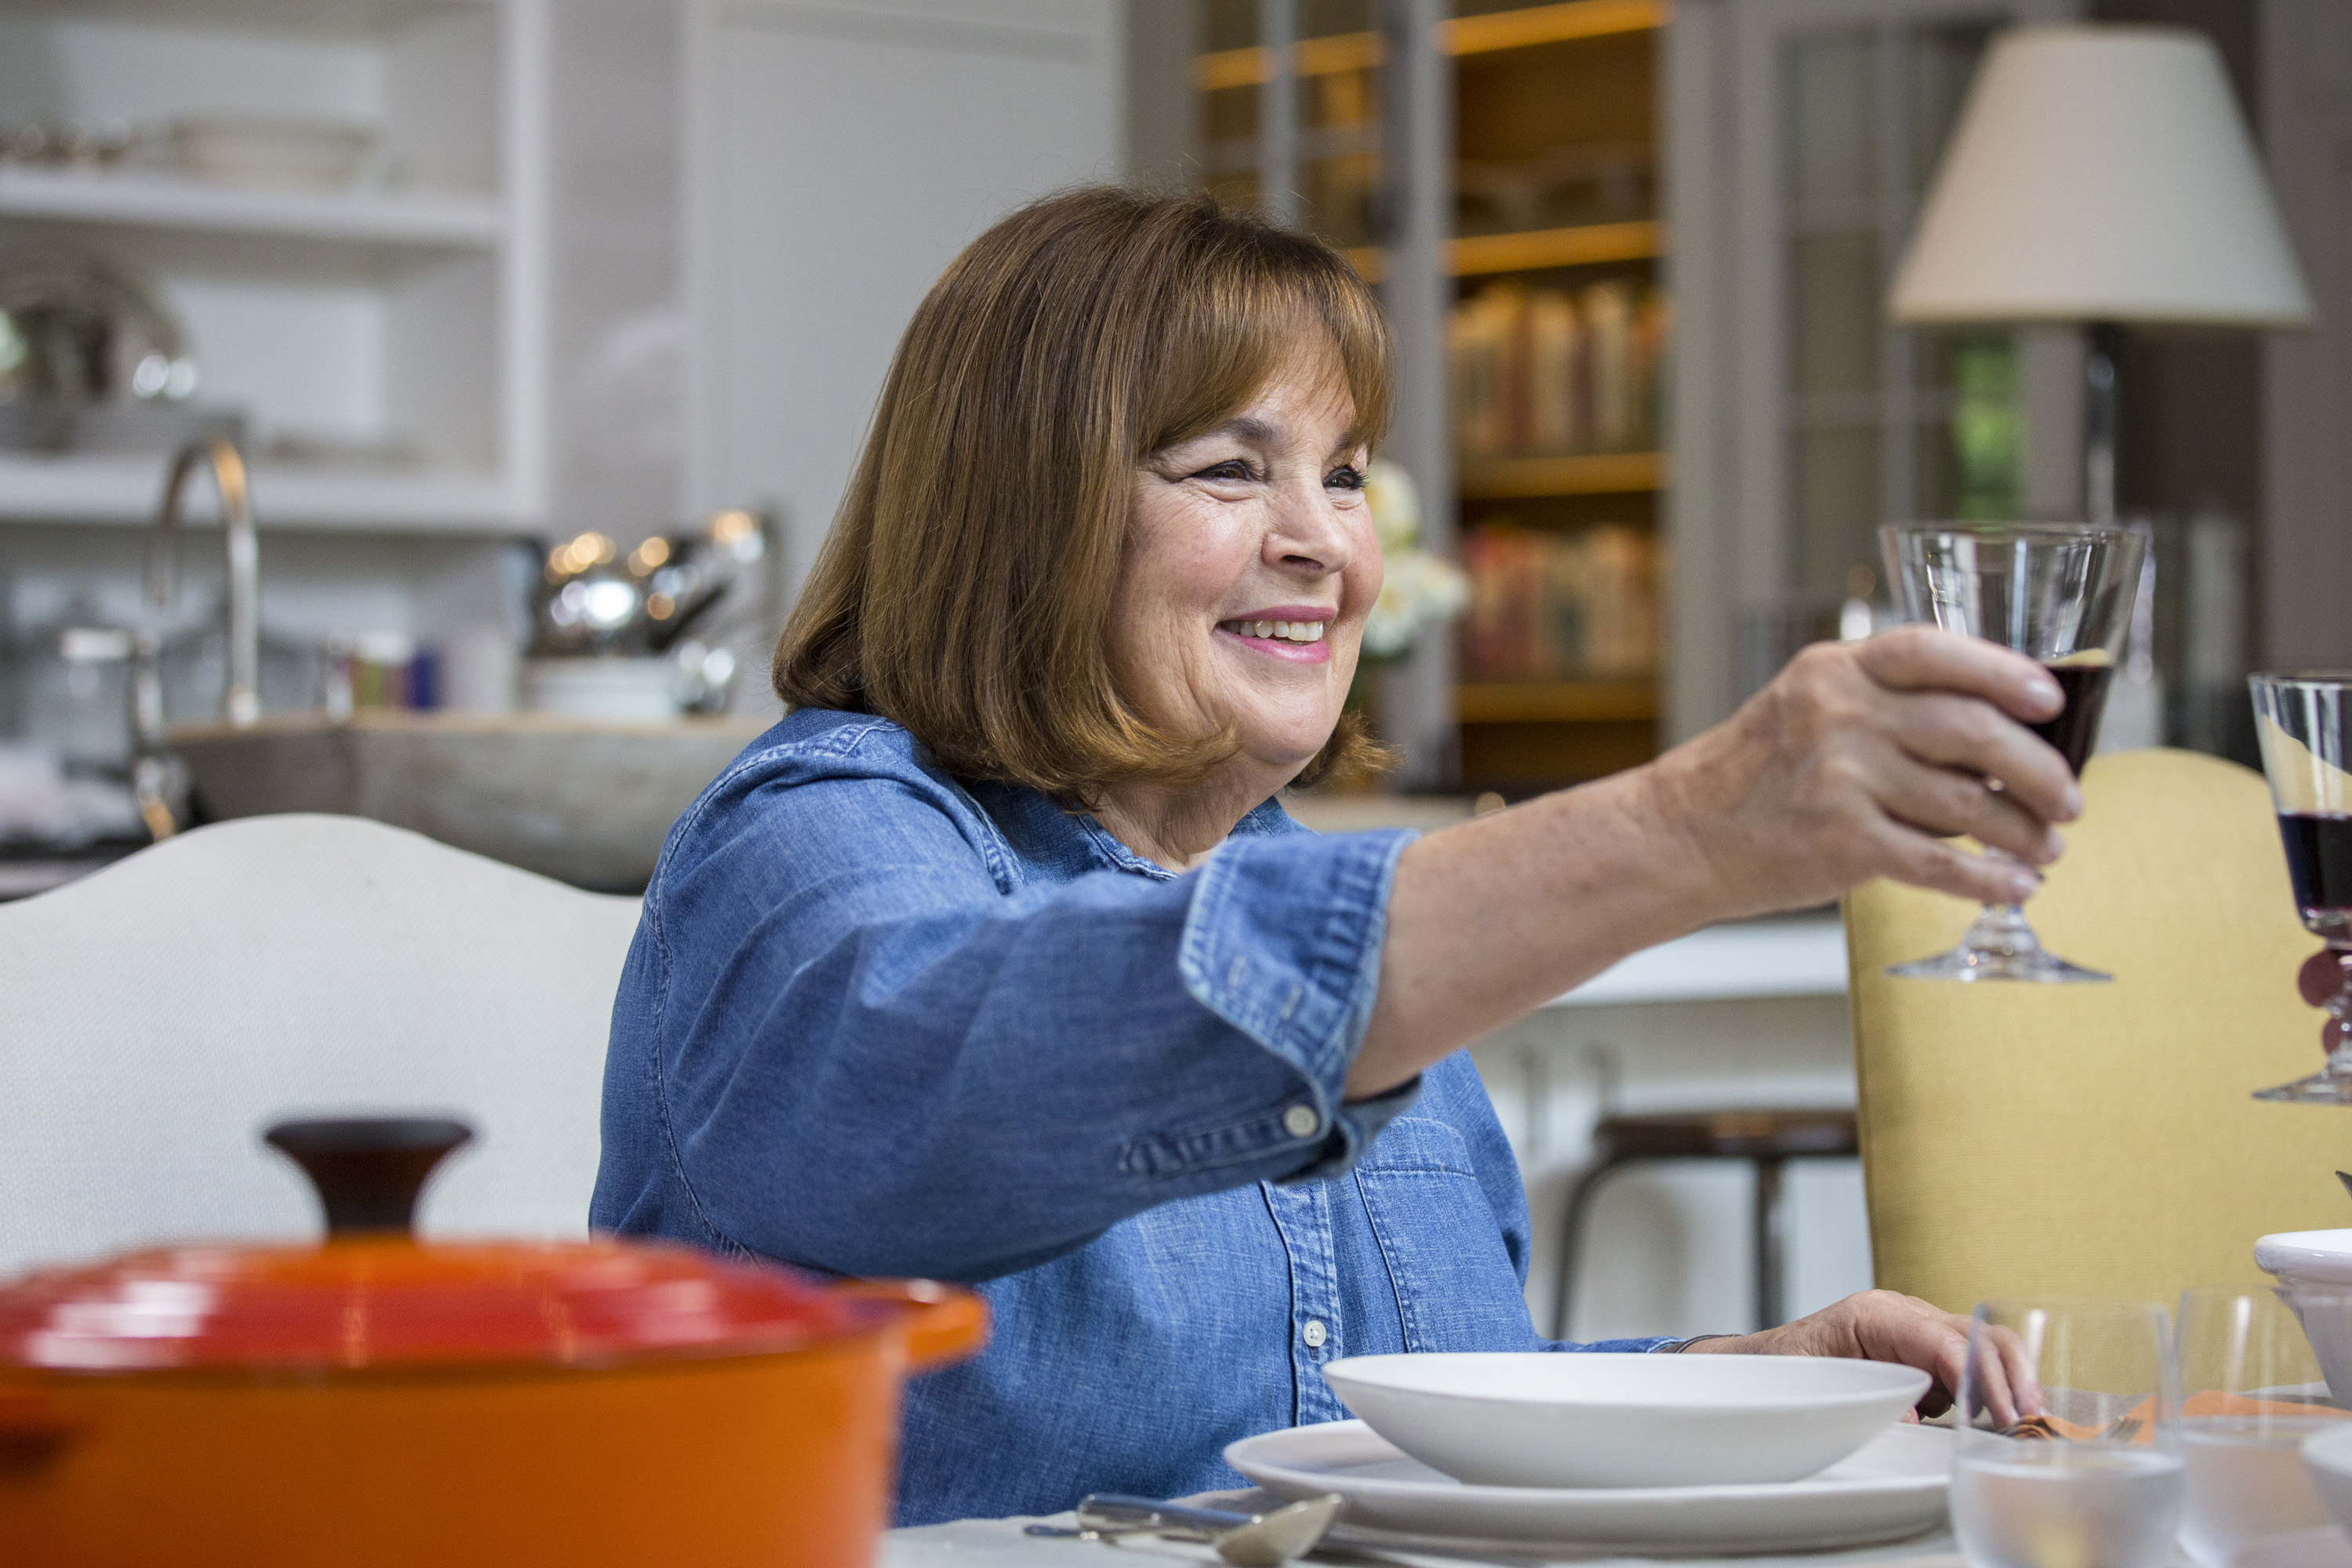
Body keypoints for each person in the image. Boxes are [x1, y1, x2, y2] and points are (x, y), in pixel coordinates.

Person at [592, 187, 2080, 1526]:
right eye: (1231, 470)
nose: (1326, 545)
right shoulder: (812, 839)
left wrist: (1733, 1382)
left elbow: (1412, 1417)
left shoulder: (1307, 895)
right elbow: (941, 1109)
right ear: (1022, 513)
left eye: (1348, 473)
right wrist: (1691, 829)